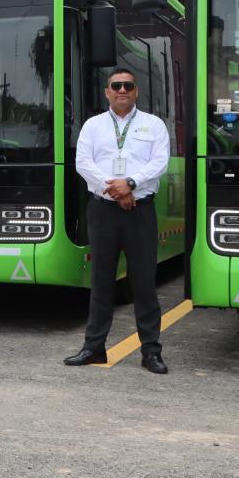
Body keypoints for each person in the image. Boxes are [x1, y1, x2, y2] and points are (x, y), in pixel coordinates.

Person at [65, 69, 171, 374]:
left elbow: (159, 162)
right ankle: (93, 348)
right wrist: (115, 189)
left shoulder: (153, 125)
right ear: (107, 92)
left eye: (128, 86)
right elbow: (83, 163)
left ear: (136, 91)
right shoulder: (93, 126)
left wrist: (132, 183)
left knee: (144, 283)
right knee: (101, 281)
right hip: (103, 210)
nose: (122, 90)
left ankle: (151, 351)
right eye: (116, 86)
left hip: (140, 210)